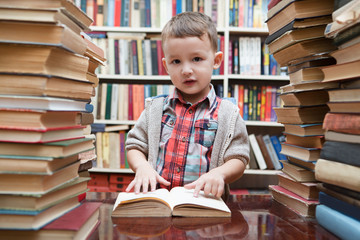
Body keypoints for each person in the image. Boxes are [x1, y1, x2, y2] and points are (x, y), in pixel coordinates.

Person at [125, 11, 249, 199]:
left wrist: (220, 173)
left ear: (216, 61)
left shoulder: (228, 114)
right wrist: (142, 167)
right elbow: (134, 145)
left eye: (196, 59)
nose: (186, 70)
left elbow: (239, 158)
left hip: (205, 205)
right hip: (158, 201)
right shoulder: (155, 109)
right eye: (176, 61)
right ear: (166, 66)